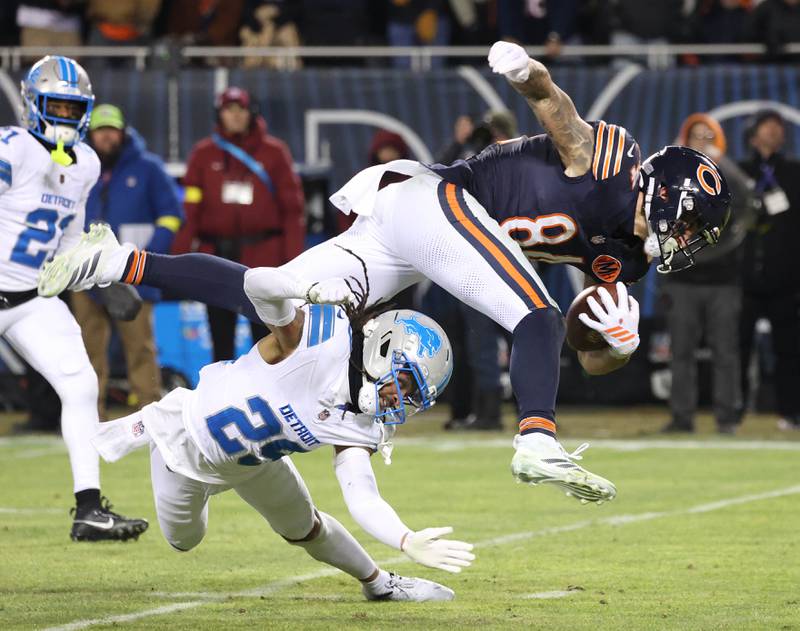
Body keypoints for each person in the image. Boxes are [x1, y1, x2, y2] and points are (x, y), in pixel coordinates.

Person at [41, 42, 733, 505]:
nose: (693, 238)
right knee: (536, 311)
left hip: (417, 235)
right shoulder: (613, 160)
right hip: (438, 203)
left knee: (272, 290)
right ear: (667, 193)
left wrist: (612, 342)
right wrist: (526, 73)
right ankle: (536, 441)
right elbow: (564, 118)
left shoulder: (633, 255)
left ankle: (112, 260)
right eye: (695, 221)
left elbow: (582, 355)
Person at [62, 247, 473, 601]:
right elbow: (256, 282)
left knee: (305, 527)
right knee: (185, 540)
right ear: (382, 349)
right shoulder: (317, 339)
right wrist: (304, 290)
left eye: (416, 396)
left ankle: (380, 583)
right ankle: (154, 432)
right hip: (185, 446)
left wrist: (404, 538)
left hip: (255, 463)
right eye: (404, 384)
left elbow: (362, 497)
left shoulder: (362, 424)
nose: (401, 402)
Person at [0, 56, 147, 541]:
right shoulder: (14, 146)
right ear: (33, 104)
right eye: (55, 106)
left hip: (28, 298)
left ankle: (89, 509)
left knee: (82, 384)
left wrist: (100, 278)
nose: (63, 117)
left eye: (72, 107)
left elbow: (67, 250)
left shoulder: (85, 162)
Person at [173, 86, 305, 362]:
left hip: (263, 256)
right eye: (228, 110)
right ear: (219, 115)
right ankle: (222, 396)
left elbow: (292, 210)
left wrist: (293, 263)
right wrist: (181, 258)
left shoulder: (274, 153)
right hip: (218, 254)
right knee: (220, 332)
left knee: (267, 331)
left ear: (251, 113)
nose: (234, 116)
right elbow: (191, 208)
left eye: (240, 109)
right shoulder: (203, 154)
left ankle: (271, 393)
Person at [71, 103, 183, 418]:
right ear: (90, 134)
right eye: (100, 131)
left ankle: (152, 417)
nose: (106, 137)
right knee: (88, 351)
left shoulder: (149, 168)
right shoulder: (79, 167)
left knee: (141, 350)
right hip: (86, 274)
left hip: (133, 273)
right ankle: (88, 417)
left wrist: (147, 260)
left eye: (111, 131)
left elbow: (172, 216)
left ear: (123, 132)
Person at [660, 113, 756, 434]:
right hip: (682, 278)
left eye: (708, 136)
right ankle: (681, 417)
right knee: (681, 352)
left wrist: (719, 163)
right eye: (695, 136)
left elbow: (747, 206)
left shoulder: (728, 173)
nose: (701, 142)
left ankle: (727, 418)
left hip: (723, 279)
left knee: (725, 351)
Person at [738, 109, 800, 430]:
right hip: (744, 279)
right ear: (753, 133)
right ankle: (734, 413)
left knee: (789, 350)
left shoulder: (793, 172)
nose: (774, 131)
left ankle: (790, 412)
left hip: (785, 279)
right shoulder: (739, 171)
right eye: (767, 125)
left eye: (779, 126)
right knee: (737, 348)